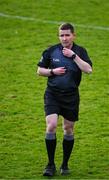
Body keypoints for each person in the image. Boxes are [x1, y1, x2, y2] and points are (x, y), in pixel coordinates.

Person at [37, 23, 92, 177]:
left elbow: (88, 70)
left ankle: (65, 164)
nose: (64, 38)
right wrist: (52, 71)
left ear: (73, 35)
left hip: (71, 96)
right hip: (52, 94)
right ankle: (50, 164)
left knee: (68, 129)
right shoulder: (51, 50)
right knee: (52, 125)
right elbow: (39, 70)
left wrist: (73, 56)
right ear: (58, 36)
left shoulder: (80, 51)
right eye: (61, 35)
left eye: (67, 35)